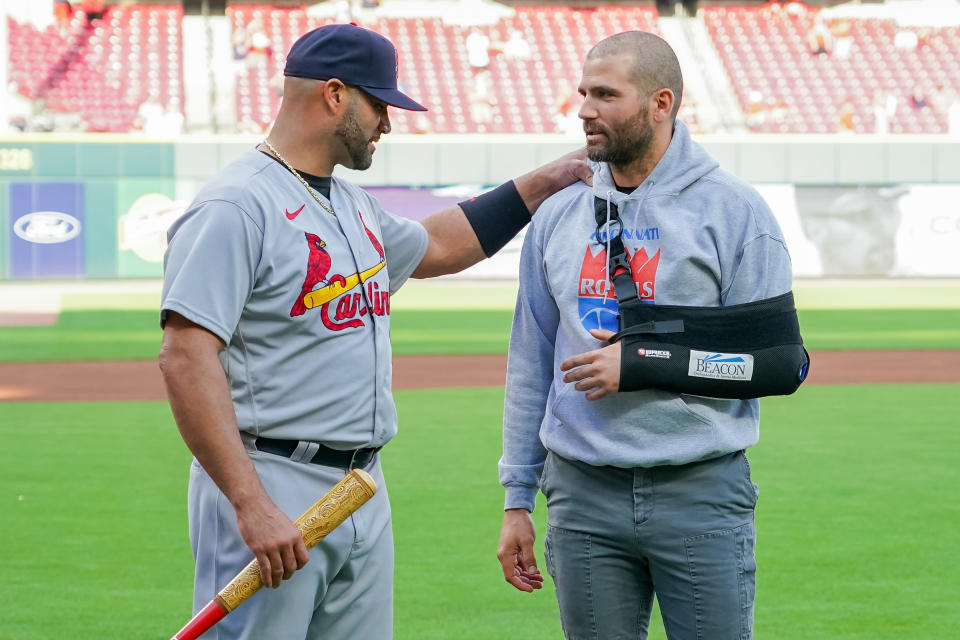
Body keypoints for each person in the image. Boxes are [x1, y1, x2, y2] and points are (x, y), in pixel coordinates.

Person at [158, 24, 590, 640]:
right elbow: (184, 355)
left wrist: (550, 178)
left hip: (361, 486)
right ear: (335, 95)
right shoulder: (236, 206)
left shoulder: (351, 205)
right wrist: (249, 503)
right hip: (272, 477)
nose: (388, 120)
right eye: (380, 103)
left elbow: (440, 243)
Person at [496, 31, 795, 640]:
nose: (584, 110)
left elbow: (780, 365)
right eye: (583, 93)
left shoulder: (735, 213)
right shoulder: (559, 214)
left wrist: (647, 362)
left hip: (700, 491)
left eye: (605, 94)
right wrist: (516, 497)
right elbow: (529, 364)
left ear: (661, 103)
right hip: (581, 496)